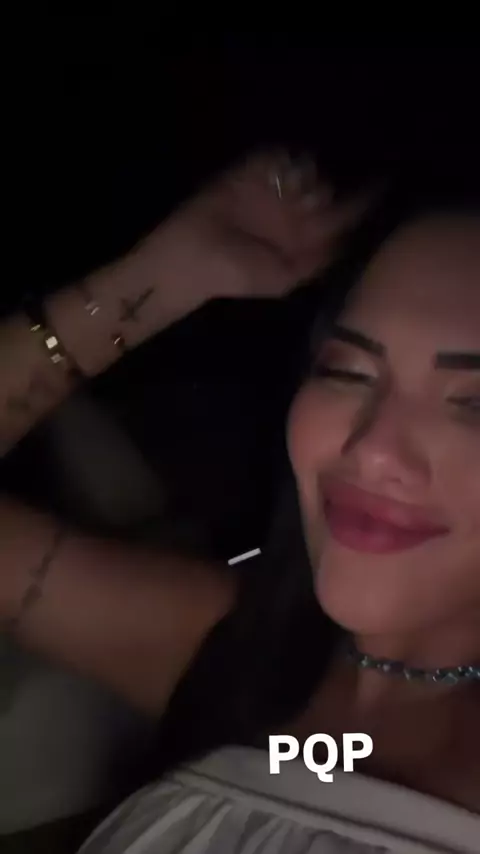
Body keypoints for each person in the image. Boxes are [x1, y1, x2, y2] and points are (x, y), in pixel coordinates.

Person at [1, 158, 479, 851]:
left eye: (475, 406)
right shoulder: (227, 651)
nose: (374, 450)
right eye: (347, 371)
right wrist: (160, 280)